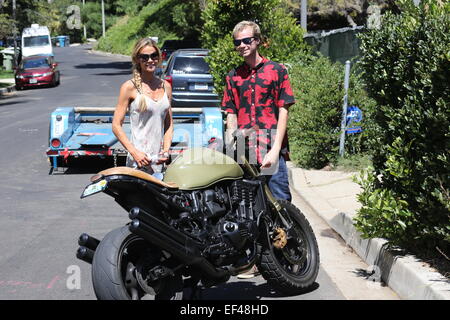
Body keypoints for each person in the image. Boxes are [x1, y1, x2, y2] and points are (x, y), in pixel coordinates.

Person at [222, 21, 296, 278]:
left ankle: (287, 261)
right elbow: (230, 112)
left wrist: (276, 150)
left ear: (257, 40)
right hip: (245, 154)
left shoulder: (277, 71)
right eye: (237, 42)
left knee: (280, 205)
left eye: (246, 41)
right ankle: (256, 261)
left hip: (271, 149)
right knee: (249, 211)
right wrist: (233, 141)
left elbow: (283, 110)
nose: (242, 46)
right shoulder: (233, 76)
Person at [112, 38, 173, 178]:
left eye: (153, 55)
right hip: (137, 162)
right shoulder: (129, 87)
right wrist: (134, 152)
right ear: (137, 59)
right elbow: (116, 125)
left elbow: (169, 123)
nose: (150, 60)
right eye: (144, 57)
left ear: (159, 57)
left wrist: (166, 150)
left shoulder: (166, 87)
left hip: (158, 162)